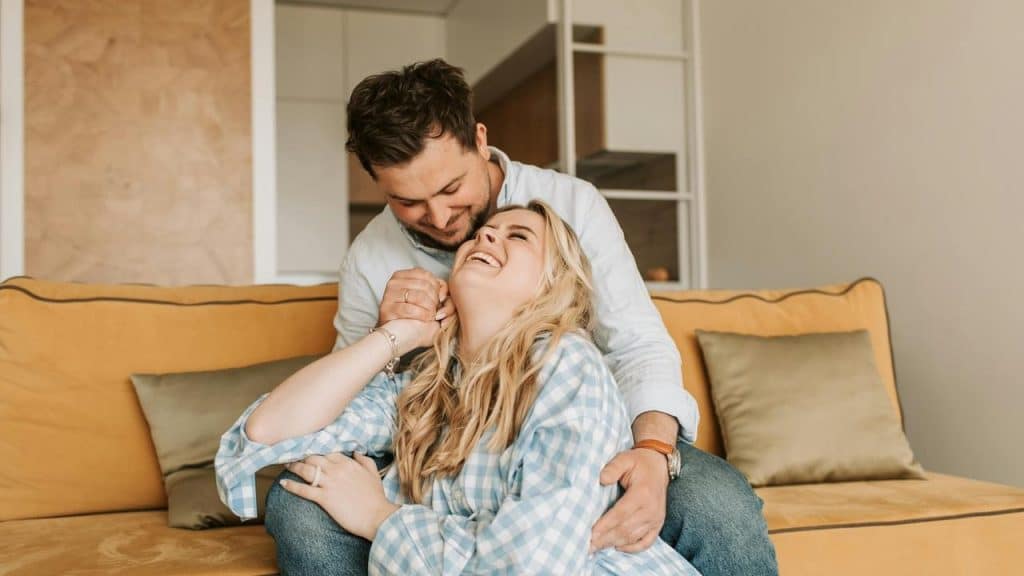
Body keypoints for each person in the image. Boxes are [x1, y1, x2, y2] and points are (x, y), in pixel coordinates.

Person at [268, 59, 777, 576]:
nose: (441, 220)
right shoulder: (369, 259)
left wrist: (651, 452)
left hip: (579, 446)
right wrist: (386, 339)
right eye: (408, 202)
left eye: (450, 190)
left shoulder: (571, 205)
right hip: (441, 446)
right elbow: (339, 413)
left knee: (716, 505)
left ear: (480, 141)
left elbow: (637, 345)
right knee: (298, 503)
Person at [217, 201, 701, 575]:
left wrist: (379, 518)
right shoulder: (426, 386)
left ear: (553, 285)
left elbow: (530, 567)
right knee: (294, 492)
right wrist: (399, 336)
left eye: (519, 236)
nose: (486, 233)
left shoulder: (567, 366)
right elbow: (268, 431)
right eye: (483, 233)